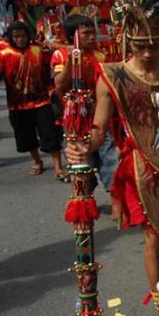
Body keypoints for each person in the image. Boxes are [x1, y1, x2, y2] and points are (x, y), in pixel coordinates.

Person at [66, 0, 159, 316]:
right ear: (127, 40)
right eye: (141, 46)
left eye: (157, 44)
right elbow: (99, 129)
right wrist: (83, 145)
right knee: (154, 239)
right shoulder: (114, 76)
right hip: (143, 170)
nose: (150, 53)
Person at [0, 21, 65, 179]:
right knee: (26, 138)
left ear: (28, 36)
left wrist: (53, 90)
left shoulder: (38, 51)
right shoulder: (1, 56)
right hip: (17, 105)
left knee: (50, 135)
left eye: (23, 36)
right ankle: (37, 161)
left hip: (42, 101)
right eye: (16, 37)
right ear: (10, 37)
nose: (20, 39)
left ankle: (58, 167)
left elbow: (49, 71)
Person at [51, 14, 118, 189]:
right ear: (72, 36)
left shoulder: (101, 56)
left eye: (93, 33)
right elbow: (58, 84)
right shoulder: (60, 55)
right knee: (80, 162)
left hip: (100, 117)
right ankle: (84, 202)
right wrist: (71, 64)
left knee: (110, 159)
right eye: (85, 33)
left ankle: (116, 201)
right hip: (75, 120)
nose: (92, 37)